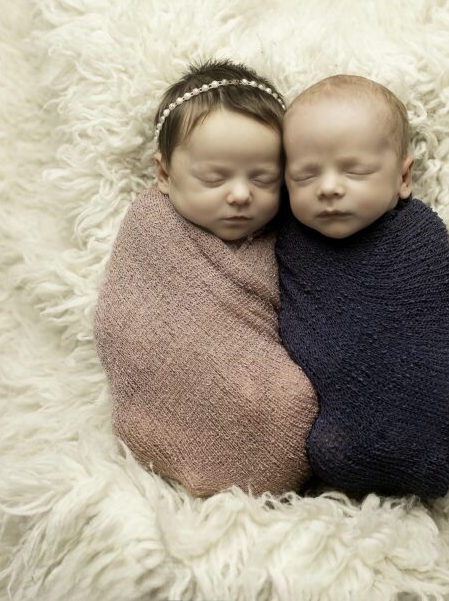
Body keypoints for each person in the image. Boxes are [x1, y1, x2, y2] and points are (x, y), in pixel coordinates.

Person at [93, 59, 318, 498]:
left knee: (289, 401)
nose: (239, 194)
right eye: (215, 178)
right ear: (164, 173)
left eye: (264, 179)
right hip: (169, 399)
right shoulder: (151, 227)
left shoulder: (292, 239)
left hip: (272, 404)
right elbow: (126, 324)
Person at [276, 75, 449, 499]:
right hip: (333, 435)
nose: (329, 187)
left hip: (437, 398)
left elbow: (448, 313)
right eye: (305, 176)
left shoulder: (417, 238)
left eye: (354, 171)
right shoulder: (289, 244)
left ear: (403, 178)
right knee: (329, 444)